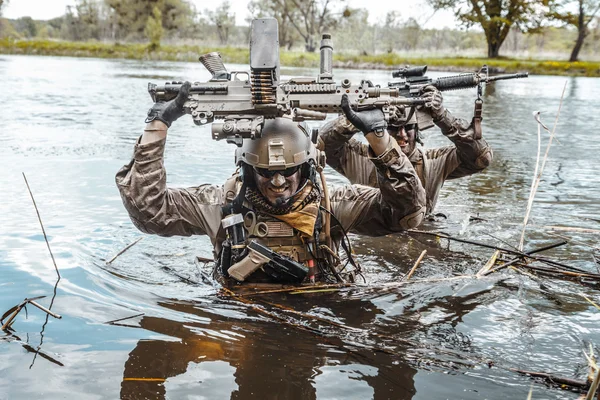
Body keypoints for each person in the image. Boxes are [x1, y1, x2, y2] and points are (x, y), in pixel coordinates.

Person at [116, 82, 426, 285]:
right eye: (265, 172)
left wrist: (380, 138)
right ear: (247, 170)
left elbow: (407, 214)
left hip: (315, 320)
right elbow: (149, 213)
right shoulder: (221, 204)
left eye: (289, 170)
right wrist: (157, 126)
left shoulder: (334, 204)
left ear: (307, 167)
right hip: (243, 322)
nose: (278, 182)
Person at [319, 86, 493, 216]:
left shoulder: (435, 161)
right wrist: (357, 118)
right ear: (384, 129)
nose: (402, 135)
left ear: (417, 131)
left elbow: (481, 158)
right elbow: (320, 145)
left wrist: (443, 117)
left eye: (408, 128)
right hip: (373, 231)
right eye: (394, 128)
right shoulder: (360, 157)